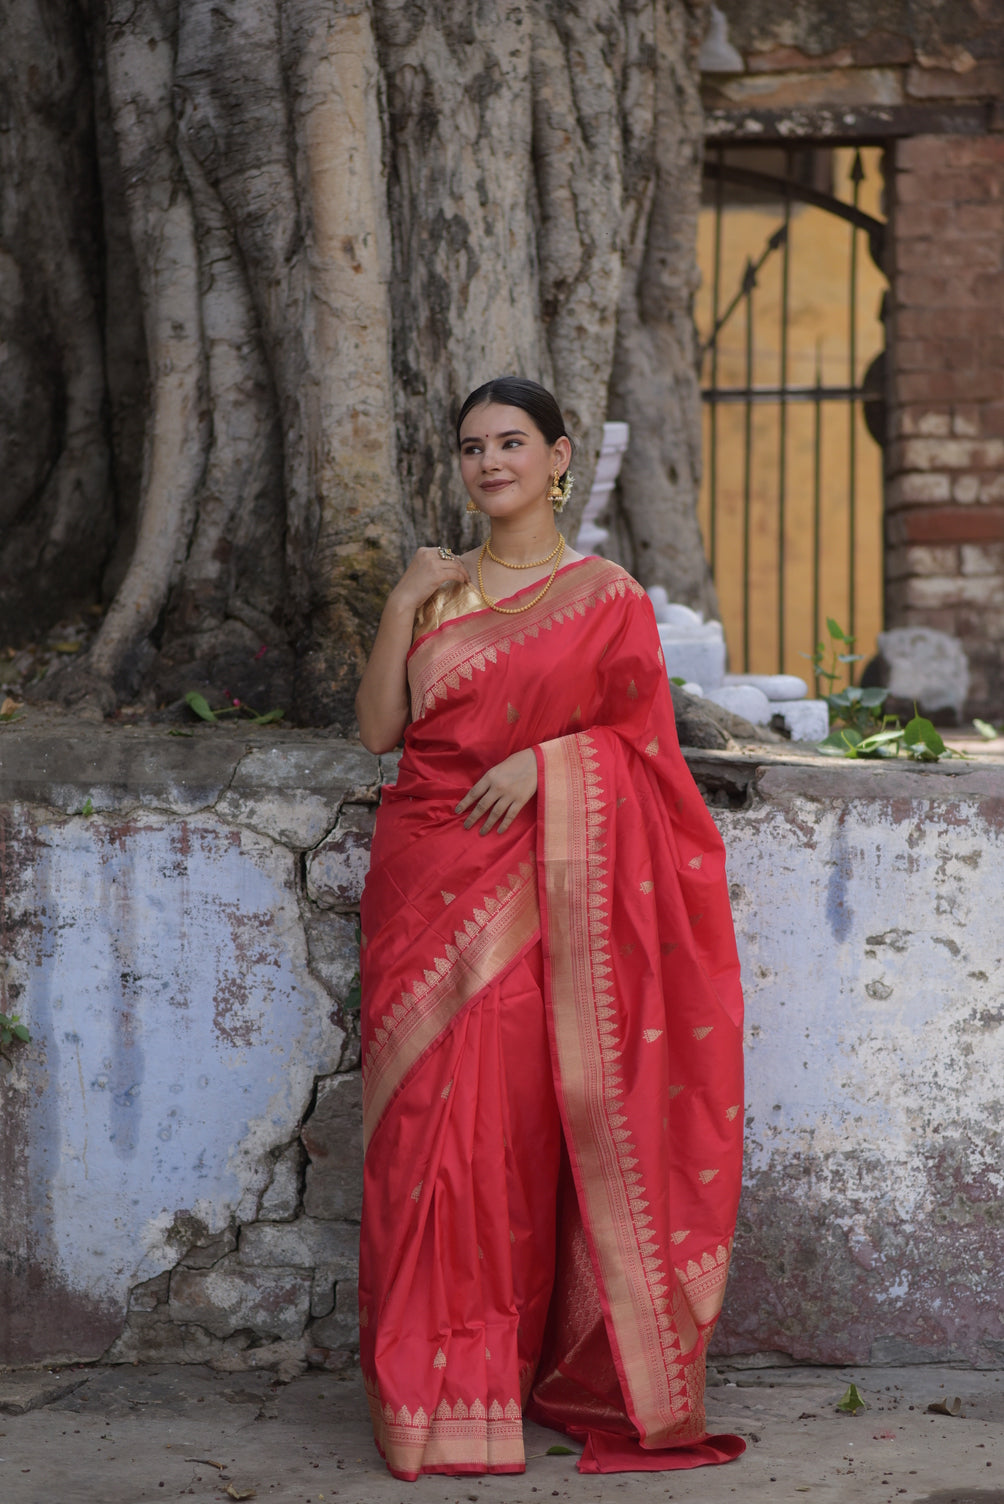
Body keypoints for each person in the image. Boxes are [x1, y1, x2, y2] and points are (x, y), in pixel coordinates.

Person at [354, 376, 745, 1481]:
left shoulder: (604, 596)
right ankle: (416, 1390)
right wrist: (397, 607)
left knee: (501, 1141)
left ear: (558, 456)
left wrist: (551, 764)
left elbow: (647, 760)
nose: (489, 464)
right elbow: (380, 730)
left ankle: (488, 1380)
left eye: (511, 443)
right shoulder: (436, 591)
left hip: (531, 891)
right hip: (420, 872)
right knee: (420, 1137)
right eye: (472, 447)